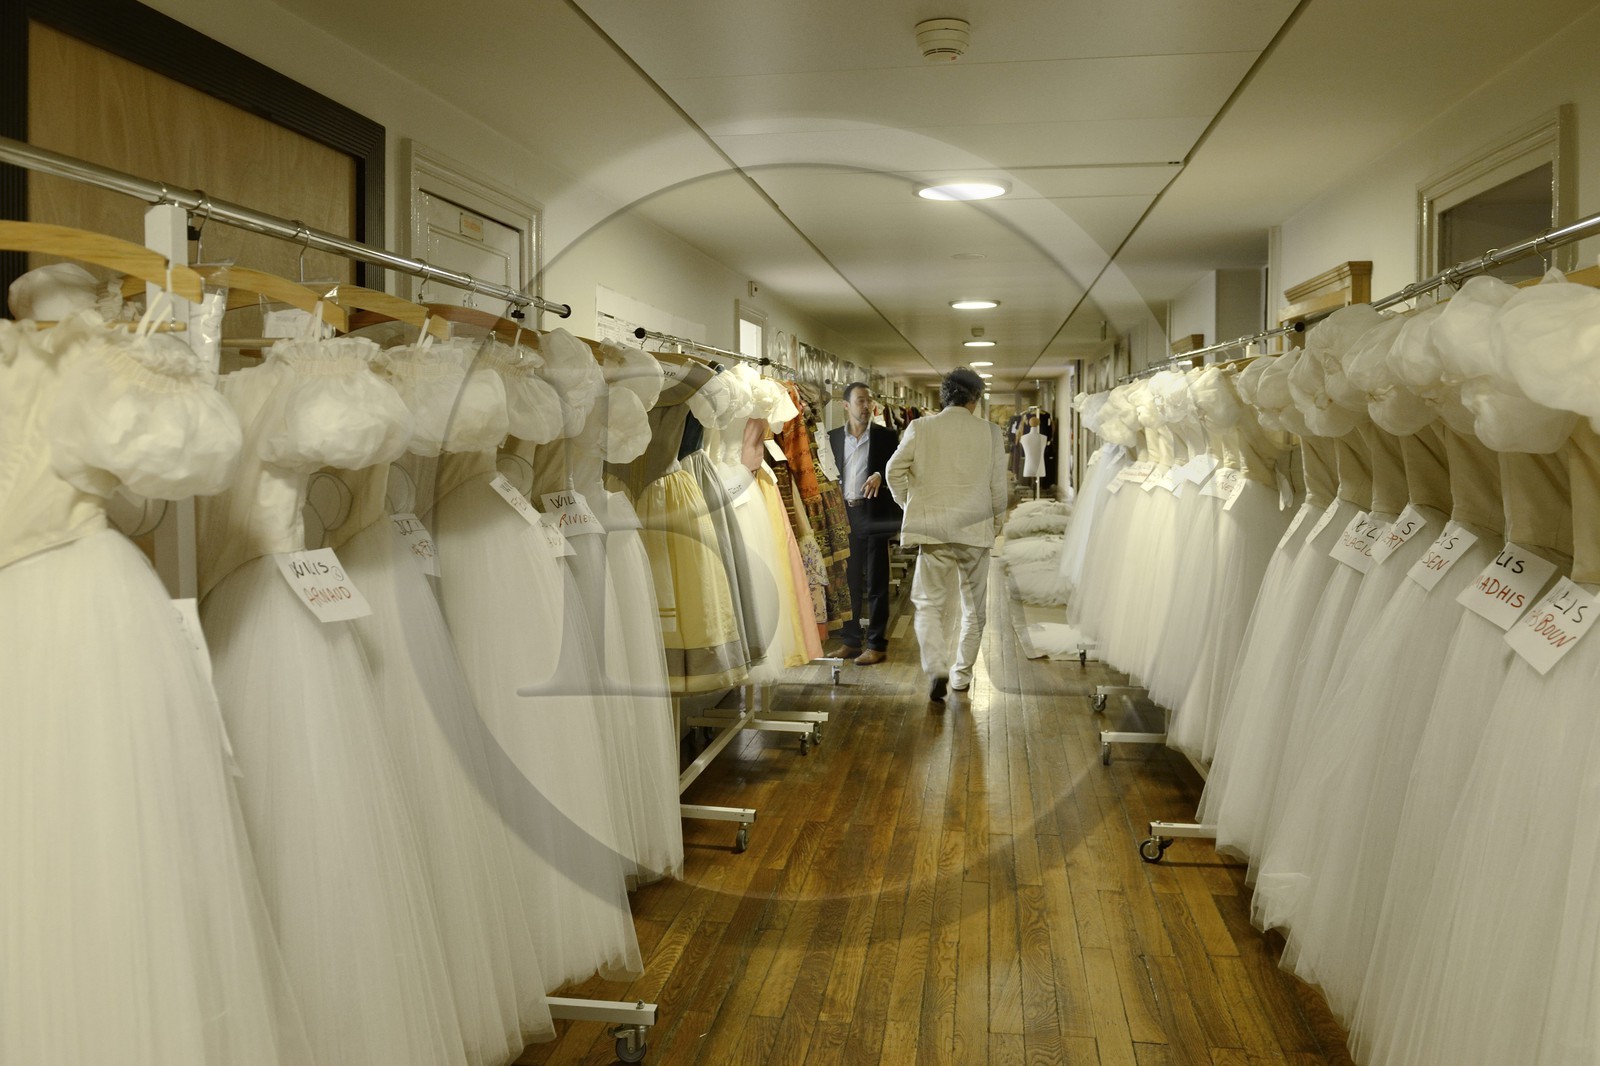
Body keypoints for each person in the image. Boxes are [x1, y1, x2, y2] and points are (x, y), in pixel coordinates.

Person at [885, 367, 1007, 702]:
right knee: (974, 610)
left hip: (932, 528)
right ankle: (961, 676)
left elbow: (893, 470)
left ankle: (936, 666)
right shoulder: (991, 433)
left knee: (927, 604)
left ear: (945, 395)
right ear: (975, 398)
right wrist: (996, 524)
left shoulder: (920, 427)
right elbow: (998, 488)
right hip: (975, 529)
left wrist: (910, 503)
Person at [827, 381, 903, 665]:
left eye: (868, 400)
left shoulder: (887, 436)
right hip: (844, 515)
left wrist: (881, 475)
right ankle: (850, 641)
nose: (866, 405)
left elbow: (900, 469)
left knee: (876, 581)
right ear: (846, 405)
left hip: (874, 514)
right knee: (848, 581)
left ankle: (876, 643)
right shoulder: (832, 437)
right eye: (860, 400)